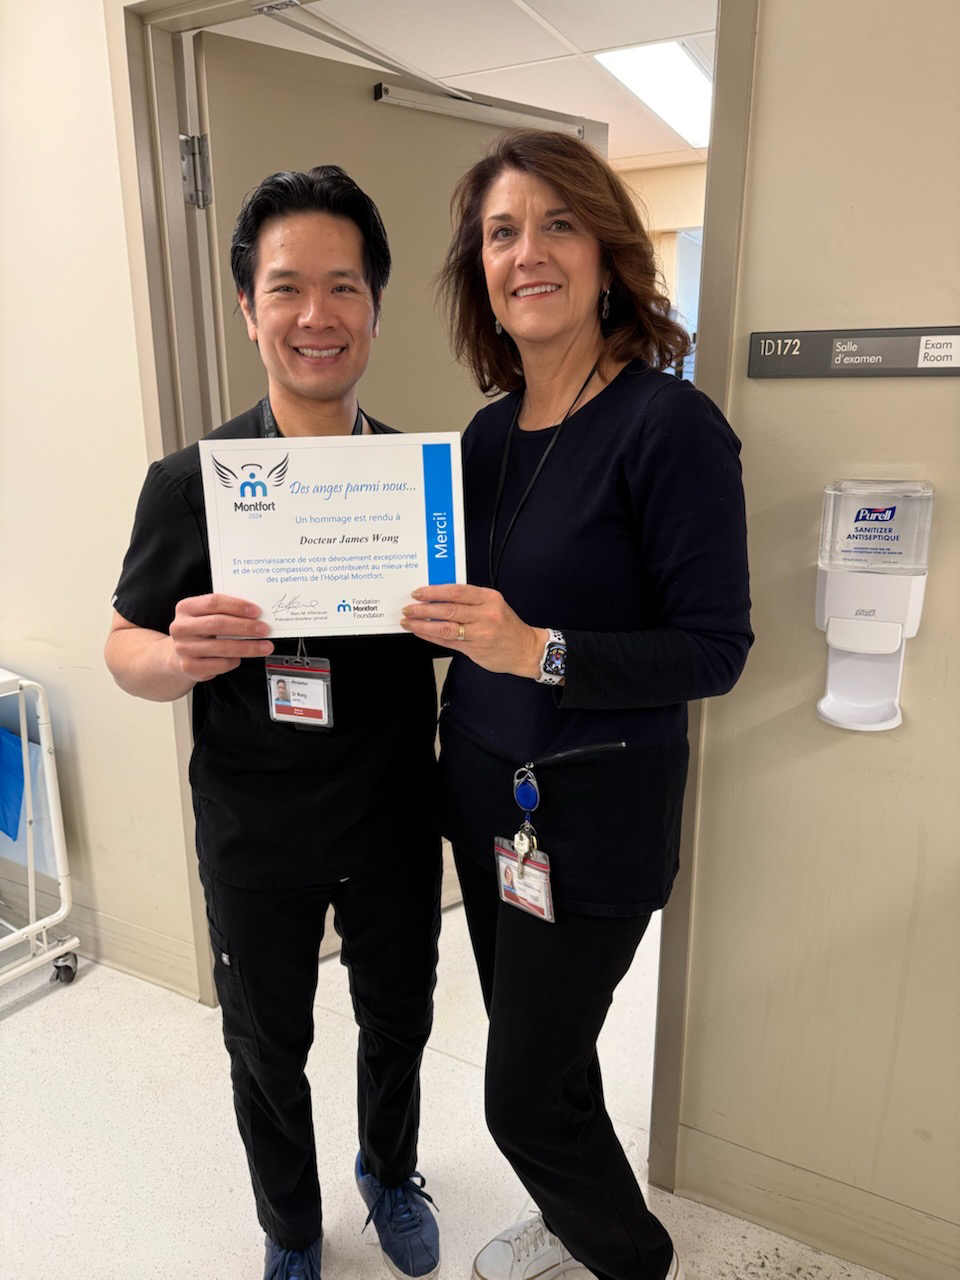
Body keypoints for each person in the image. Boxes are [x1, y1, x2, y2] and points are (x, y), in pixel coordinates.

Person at [401, 130, 752, 1280]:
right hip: (486, 804)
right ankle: (575, 1216)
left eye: (559, 224)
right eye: (503, 232)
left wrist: (535, 649)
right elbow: (464, 606)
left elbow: (714, 648)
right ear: (481, 270)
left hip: (592, 817)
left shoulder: (668, 427)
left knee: (518, 1095)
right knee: (550, 1058)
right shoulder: (486, 435)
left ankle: (629, 1256)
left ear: (608, 255)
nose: (529, 252)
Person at [105, 166, 442, 1280]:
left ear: (375, 308)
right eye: (287, 288)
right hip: (256, 827)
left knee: (400, 1017)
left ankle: (388, 1170)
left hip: (393, 817)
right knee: (265, 1040)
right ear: (249, 310)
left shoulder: (419, 486)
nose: (316, 315)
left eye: (343, 287)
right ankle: (292, 1225)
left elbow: (469, 636)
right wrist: (176, 653)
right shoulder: (187, 485)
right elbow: (124, 645)